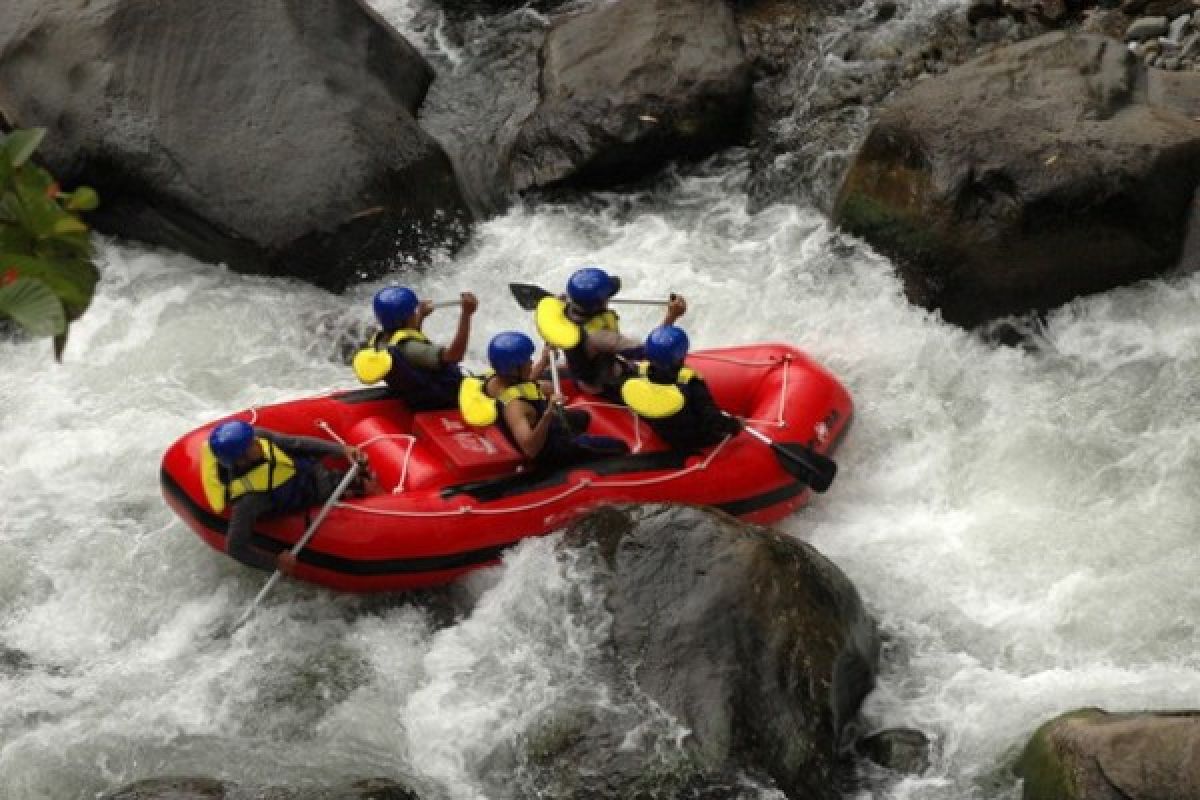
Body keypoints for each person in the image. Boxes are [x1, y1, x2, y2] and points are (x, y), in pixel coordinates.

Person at [201, 420, 373, 575]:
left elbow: (295, 443)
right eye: (251, 444)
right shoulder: (248, 501)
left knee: (360, 475)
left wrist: (340, 450)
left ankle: (353, 482)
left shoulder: (258, 437)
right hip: (305, 491)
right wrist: (274, 562)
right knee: (367, 485)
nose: (257, 442)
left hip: (302, 472)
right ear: (241, 460)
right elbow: (235, 547)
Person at [463, 331, 627, 470]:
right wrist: (548, 414)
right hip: (551, 449)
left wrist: (543, 362)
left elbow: (524, 384)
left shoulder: (495, 381)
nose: (530, 361)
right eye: (526, 360)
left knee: (582, 417)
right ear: (513, 369)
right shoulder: (515, 407)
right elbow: (530, 449)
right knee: (620, 447)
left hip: (543, 422)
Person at [555, 266, 687, 397]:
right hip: (603, 384)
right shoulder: (600, 337)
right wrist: (672, 316)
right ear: (599, 304)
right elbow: (652, 351)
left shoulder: (562, 311)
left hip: (586, 369)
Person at [353, 286, 478, 410]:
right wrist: (466, 315)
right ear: (407, 317)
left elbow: (405, 341)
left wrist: (421, 316)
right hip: (443, 398)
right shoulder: (410, 348)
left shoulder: (380, 341)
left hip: (415, 395)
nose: (415, 313)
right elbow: (454, 356)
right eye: (414, 311)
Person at [620, 325, 741, 451]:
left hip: (665, 433)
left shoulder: (637, 374)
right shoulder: (691, 384)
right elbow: (713, 421)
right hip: (695, 439)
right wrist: (736, 425)